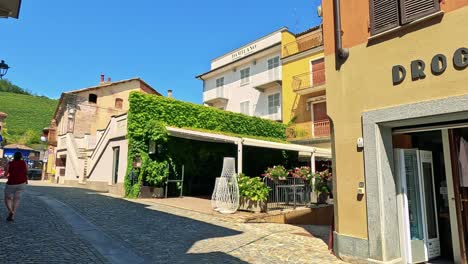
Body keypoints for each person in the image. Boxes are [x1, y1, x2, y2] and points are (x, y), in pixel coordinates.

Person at [4, 152, 28, 222]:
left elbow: (6, 174)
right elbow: (26, 172)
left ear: (14, 156)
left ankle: (11, 211)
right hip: (22, 183)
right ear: (21, 157)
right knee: (16, 199)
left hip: (11, 183)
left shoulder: (10, 163)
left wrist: (6, 170)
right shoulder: (24, 163)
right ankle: (13, 215)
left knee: (7, 198)